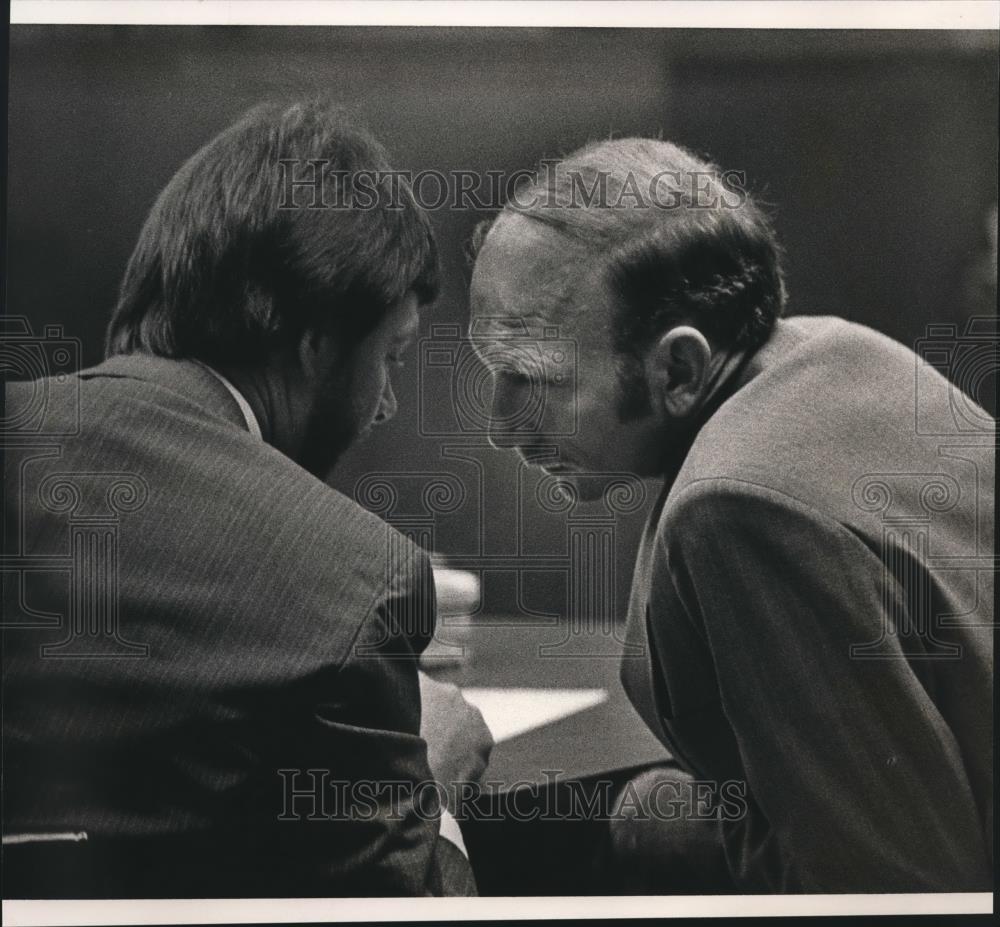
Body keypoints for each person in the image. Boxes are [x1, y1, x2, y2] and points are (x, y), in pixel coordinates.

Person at [467, 138, 993, 892]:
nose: (502, 424)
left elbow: (884, 886)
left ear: (679, 368)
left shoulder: (736, 509)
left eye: (533, 377)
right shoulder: (844, 350)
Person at [2, 100, 492, 897]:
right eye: (390, 355)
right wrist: (429, 777)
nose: (386, 403)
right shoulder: (358, 582)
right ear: (315, 343)